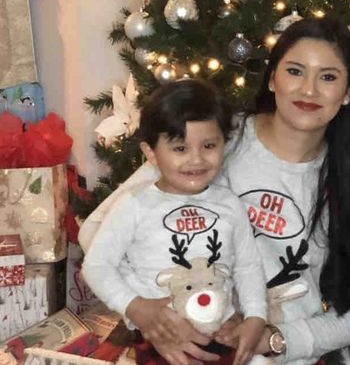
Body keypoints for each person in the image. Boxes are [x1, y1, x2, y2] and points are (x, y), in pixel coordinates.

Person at [79, 17, 350, 365]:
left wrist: (276, 340)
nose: (308, 90)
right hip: (189, 349)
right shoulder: (214, 140)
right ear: (272, 78)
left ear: (348, 93)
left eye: (328, 77)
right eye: (295, 71)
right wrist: (150, 312)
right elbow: (94, 232)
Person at [82, 80, 267, 365]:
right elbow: (96, 266)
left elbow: (248, 265)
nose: (196, 159)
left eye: (209, 145)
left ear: (223, 143)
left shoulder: (229, 203)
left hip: (222, 336)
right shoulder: (135, 204)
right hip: (161, 340)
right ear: (151, 153)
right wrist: (135, 307)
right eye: (180, 148)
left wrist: (256, 316)